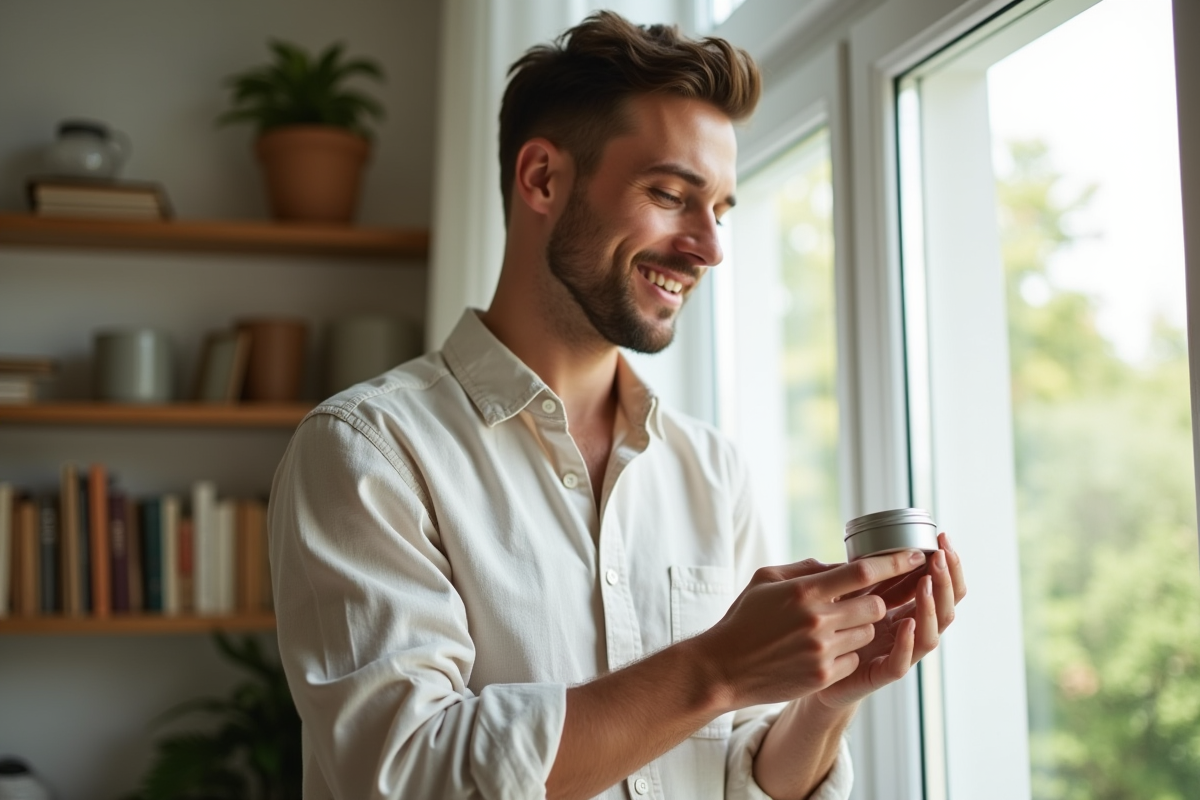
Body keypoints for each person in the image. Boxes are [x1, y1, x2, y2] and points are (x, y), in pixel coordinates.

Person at [268, 11, 967, 800]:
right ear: (541, 179)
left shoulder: (711, 470)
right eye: (672, 194)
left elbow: (731, 773)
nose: (708, 246)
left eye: (723, 210)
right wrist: (717, 667)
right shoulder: (369, 452)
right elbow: (408, 774)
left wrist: (823, 703)